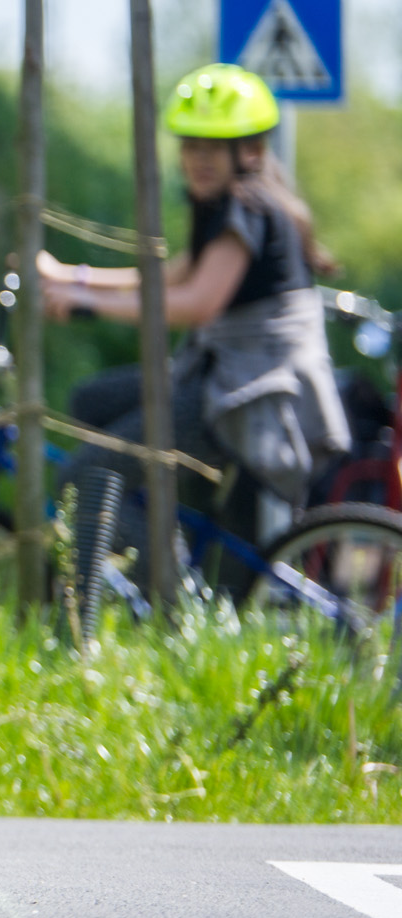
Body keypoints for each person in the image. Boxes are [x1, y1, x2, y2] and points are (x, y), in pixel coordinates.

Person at [37, 63, 349, 626]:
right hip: (221, 378)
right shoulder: (233, 204)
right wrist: (73, 276)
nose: (199, 158)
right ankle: (165, 548)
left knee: (86, 475)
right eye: (190, 145)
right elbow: (171, 275)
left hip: (240, 396)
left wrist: (85, 305)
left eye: (215, 146)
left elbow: (194, 303)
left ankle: (110, 619)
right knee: (90, 402)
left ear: (250, 150)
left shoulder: (247, 209)